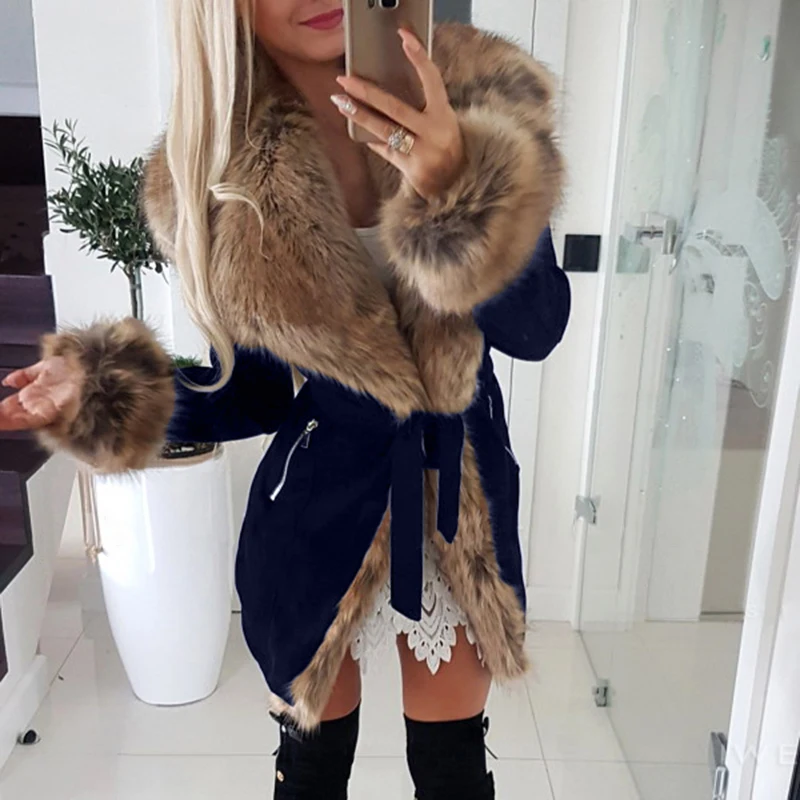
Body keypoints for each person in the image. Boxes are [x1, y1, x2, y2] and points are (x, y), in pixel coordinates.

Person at [0, 2, 570, 797]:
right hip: (317, 509)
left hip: (457, 503)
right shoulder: (217, 165)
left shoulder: (477, 89)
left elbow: (537, 329)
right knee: (310, 772)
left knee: (452, 773)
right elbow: (255, 393)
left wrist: (459, 188)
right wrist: (98, 390)